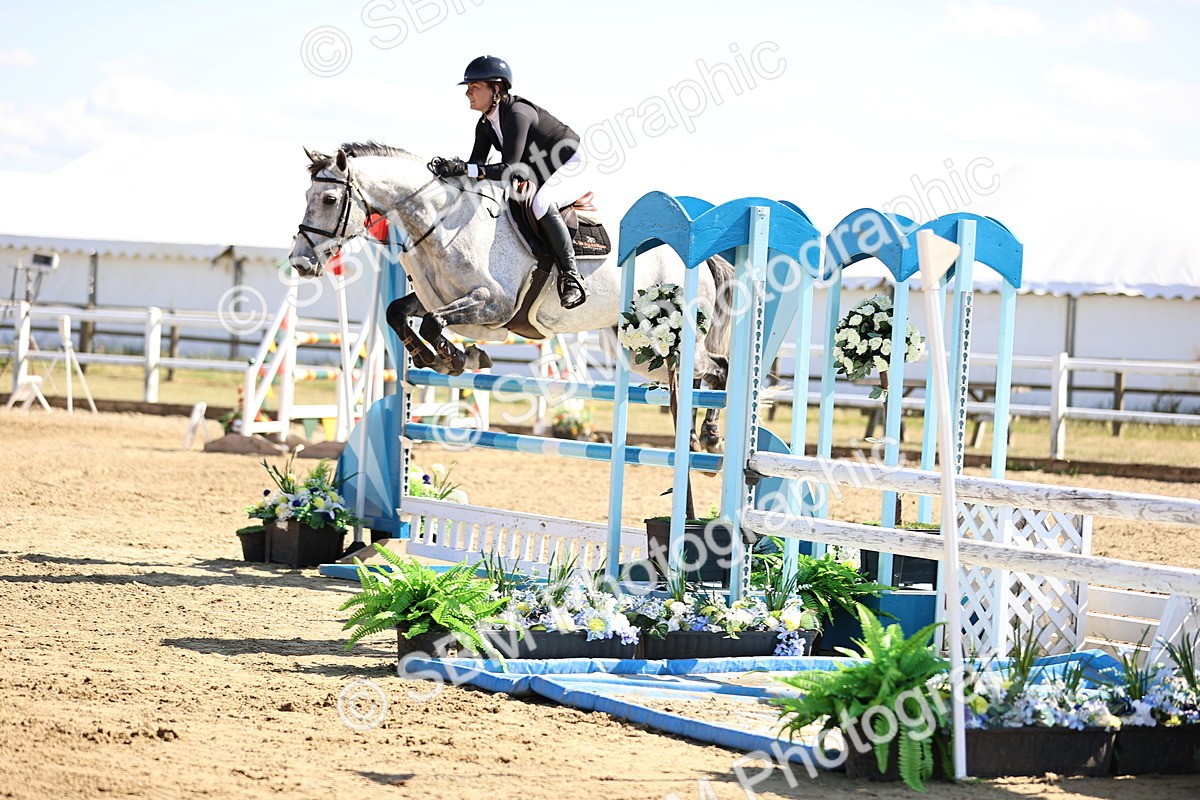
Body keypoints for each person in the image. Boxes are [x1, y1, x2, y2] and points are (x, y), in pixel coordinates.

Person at [430, 55, 587, 309]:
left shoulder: (517, 113)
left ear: (497, 89)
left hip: (569, 161)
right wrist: (452, 173)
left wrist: (464, 169)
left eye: (475, 87)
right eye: (468, 87)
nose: (468, 93)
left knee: (540, 202)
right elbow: (475, 168)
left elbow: (509, 169)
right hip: (537, 166)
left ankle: (572, 278)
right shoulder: (485, 124)